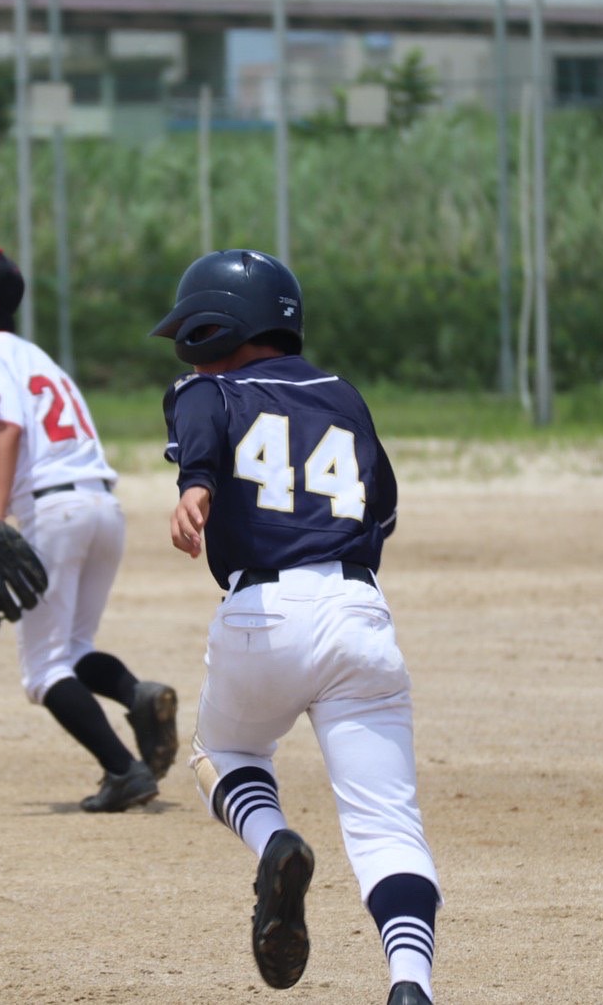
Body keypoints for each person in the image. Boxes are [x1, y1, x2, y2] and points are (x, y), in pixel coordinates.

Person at [152, 250, 441, 1005]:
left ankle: (273, 838)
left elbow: (202, 429)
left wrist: (196, 489)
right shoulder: (344, 396)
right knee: (386, 826)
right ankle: (411, 984)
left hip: (262, 617)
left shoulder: (204, 388)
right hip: (359, 612)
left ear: (218, 324)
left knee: (227, 754)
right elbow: (382, 514)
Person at [0, 242, 178, 813]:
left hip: (56, 515)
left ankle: (124, 771)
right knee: (74, 649)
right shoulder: (33, 355)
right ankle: (137, 695)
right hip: (102, 509)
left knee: (43, 671)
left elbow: (7, 431)